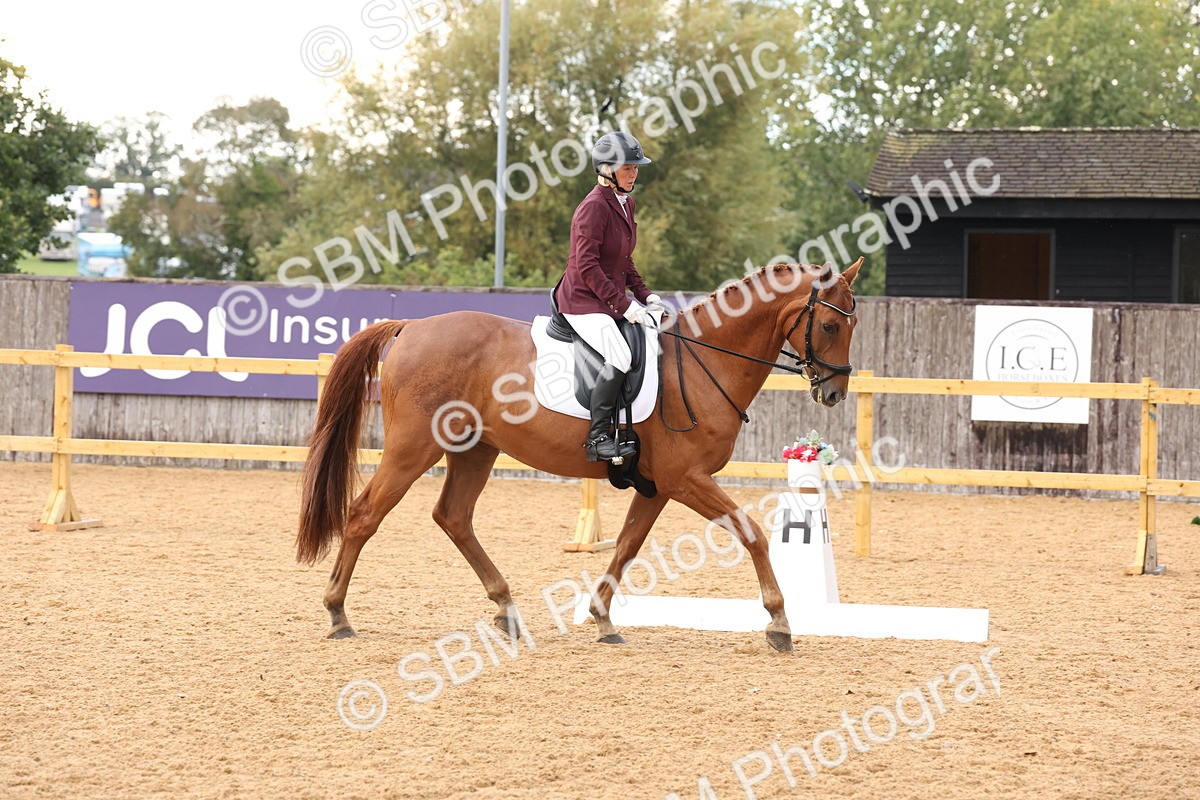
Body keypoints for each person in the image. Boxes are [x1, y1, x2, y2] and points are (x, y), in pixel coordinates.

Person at [554, 131, 665, 462]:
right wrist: (625, 305)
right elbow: (587, 266)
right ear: (605, 170)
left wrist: (647, 295)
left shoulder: (626, 203)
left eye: (635, 167)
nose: (634, 173)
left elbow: (624, 259)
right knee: (620, 355)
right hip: (583, 301)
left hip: (608, 300)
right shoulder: (593, 208)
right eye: (627, 168)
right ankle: (598, 436)